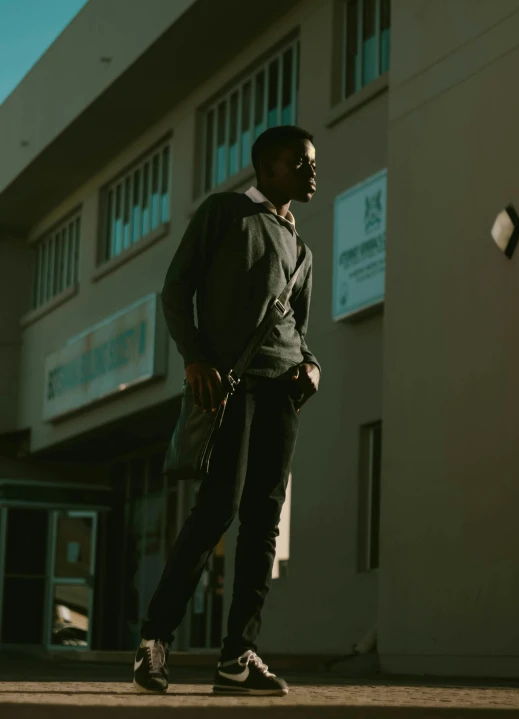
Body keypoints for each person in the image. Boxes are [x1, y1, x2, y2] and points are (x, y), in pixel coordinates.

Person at [133, 125, 321, 696]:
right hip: (229, 384)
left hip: (283, 390)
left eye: (313, 164)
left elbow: (298, 328)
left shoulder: (303, 249)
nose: (311, 171)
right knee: (216, 511)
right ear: (268, 168)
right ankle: (153, 643)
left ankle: (237, 655)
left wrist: (310, 366)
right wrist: (194, 359)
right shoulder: (224, 214)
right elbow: (175, 289)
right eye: (300, 163)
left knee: (264, 521)